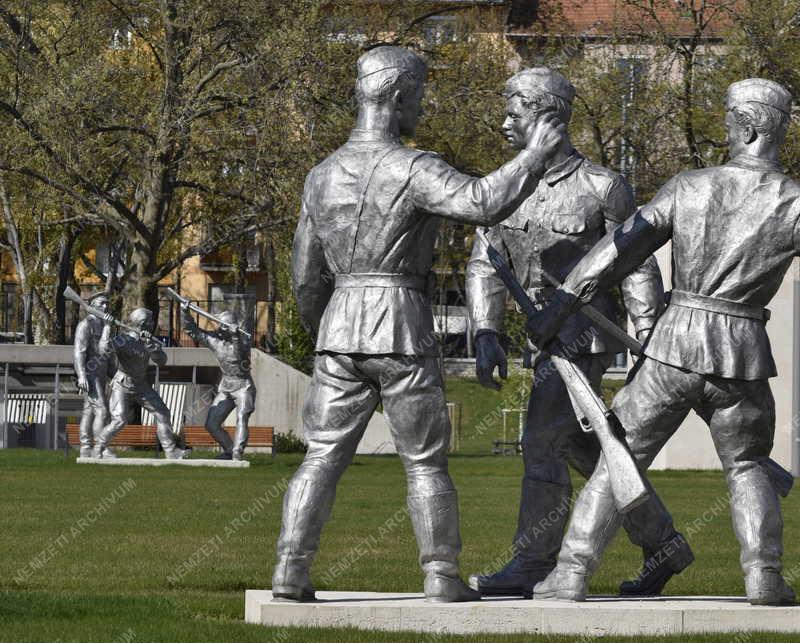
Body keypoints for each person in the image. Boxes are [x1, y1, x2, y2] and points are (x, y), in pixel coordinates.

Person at [527, 78, 800, 605]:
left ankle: (571, 574)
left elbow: (617, 250)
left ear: (745, 126)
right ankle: (763, 577)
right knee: (746, 469)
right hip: (739, 355)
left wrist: (560, 306)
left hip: (673, 348)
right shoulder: (795, 202)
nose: (724, 129)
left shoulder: (689, 187)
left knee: (618, 459)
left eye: (727, 121)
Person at [274, 46, 566, 603]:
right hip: (400, 327)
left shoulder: (321, 175)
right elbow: (481, 202)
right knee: (426, 462)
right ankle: (440, 573)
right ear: (399, 95)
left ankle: (291, 567)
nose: (422, 109)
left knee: (321, 457)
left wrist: (326, 333)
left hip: (339, 329)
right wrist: (534, 156)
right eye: (420, 97)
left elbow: (305, 276)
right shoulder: (413, 167)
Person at [465, 67, 691, 598]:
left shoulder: (603, 187)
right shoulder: (506, 186)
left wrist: (647, 331)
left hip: (582, 339)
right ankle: (662, 542)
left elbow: (635, 262)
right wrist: (484, 330)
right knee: (587, 453)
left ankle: (532, 562)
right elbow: (484, 260)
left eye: (513, 114)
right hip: (537, 341)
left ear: (546, 118)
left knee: (541, 443)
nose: (503, 124)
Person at [94, 308, 189, 460]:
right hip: (122, 383)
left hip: (141, 384)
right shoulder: (123, 340)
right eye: (151, 321)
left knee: (162, 413)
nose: (153, 324)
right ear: (144, 324)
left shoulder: (148, 340)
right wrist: (107, 327)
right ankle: (98, 448)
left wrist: (150, 344)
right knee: (119, 420)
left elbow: (161, 361)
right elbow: (103, 350)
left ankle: (171, 451)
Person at [180, 303, 255, 461]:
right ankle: (229, 449)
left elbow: (241, 358)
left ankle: (237, 453)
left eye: (225, 326)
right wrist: (185, 312)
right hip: (226, 387)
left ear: (233, 326)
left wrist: (235, 336)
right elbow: (192, 331)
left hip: (243, 386)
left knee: (242, 417)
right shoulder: (215, 341)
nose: (221, 329)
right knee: (211, 424)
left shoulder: (243, 340)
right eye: (220, 325)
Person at [72, 292, 114, 458]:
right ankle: (101, 447)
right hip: (90, 374)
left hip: (102, 373)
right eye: (102, 303)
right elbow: (78, 353)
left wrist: (113, 373)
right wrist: (81, 375)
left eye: (107, 304)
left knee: (89, 411)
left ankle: (85, 446)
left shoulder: (104, 324)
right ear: (93, 305)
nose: (106, 307)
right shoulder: (85, 325)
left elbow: (106, 353)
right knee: (102, 411)